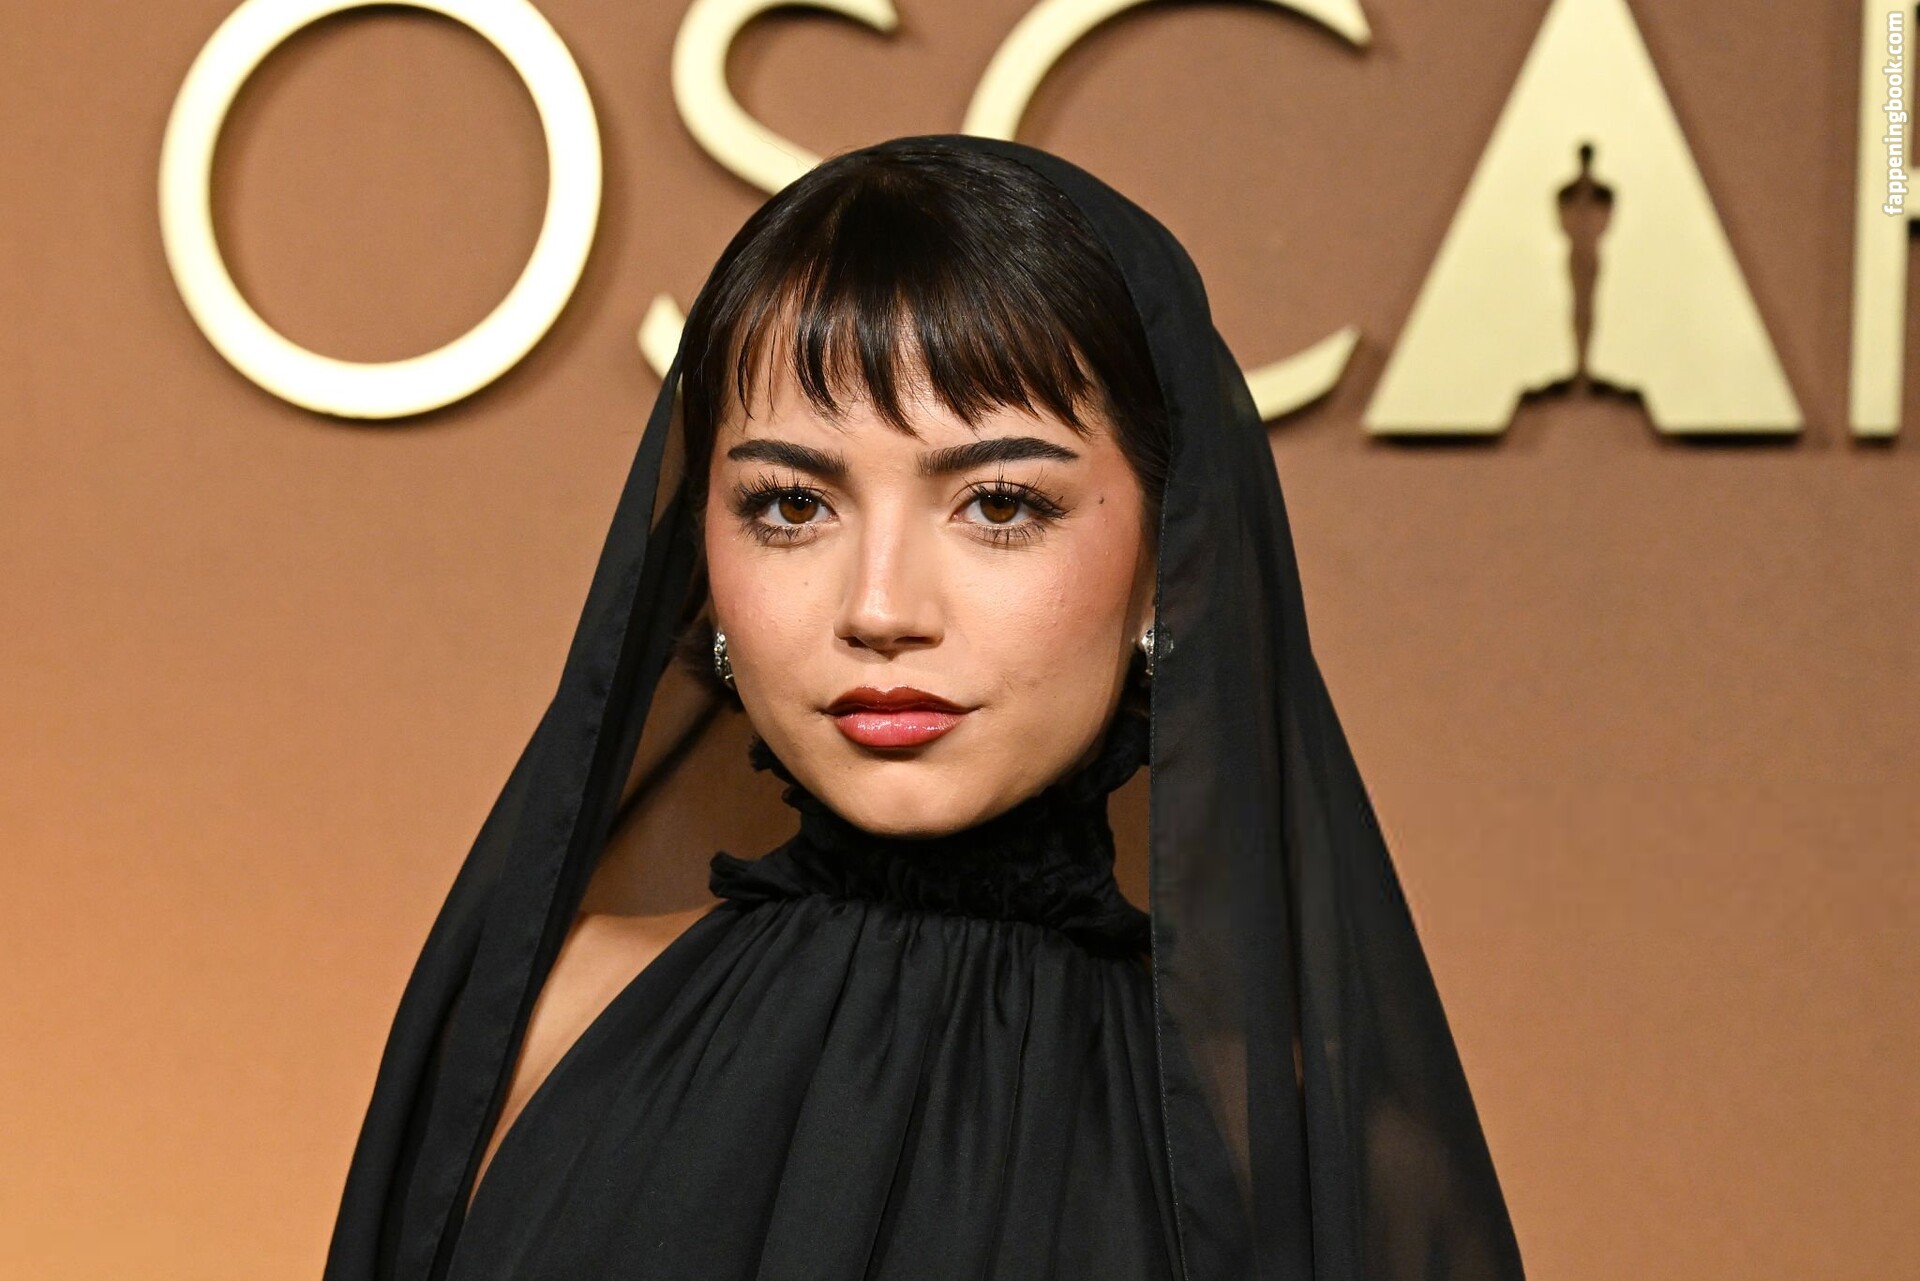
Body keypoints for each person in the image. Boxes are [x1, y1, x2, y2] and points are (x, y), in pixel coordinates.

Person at [322, 134, 1526, 1281]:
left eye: (1000, 504)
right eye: (792, 506)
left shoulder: (1307, 1152)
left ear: (1172, 557)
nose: (881, 608)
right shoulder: (536, 1031)